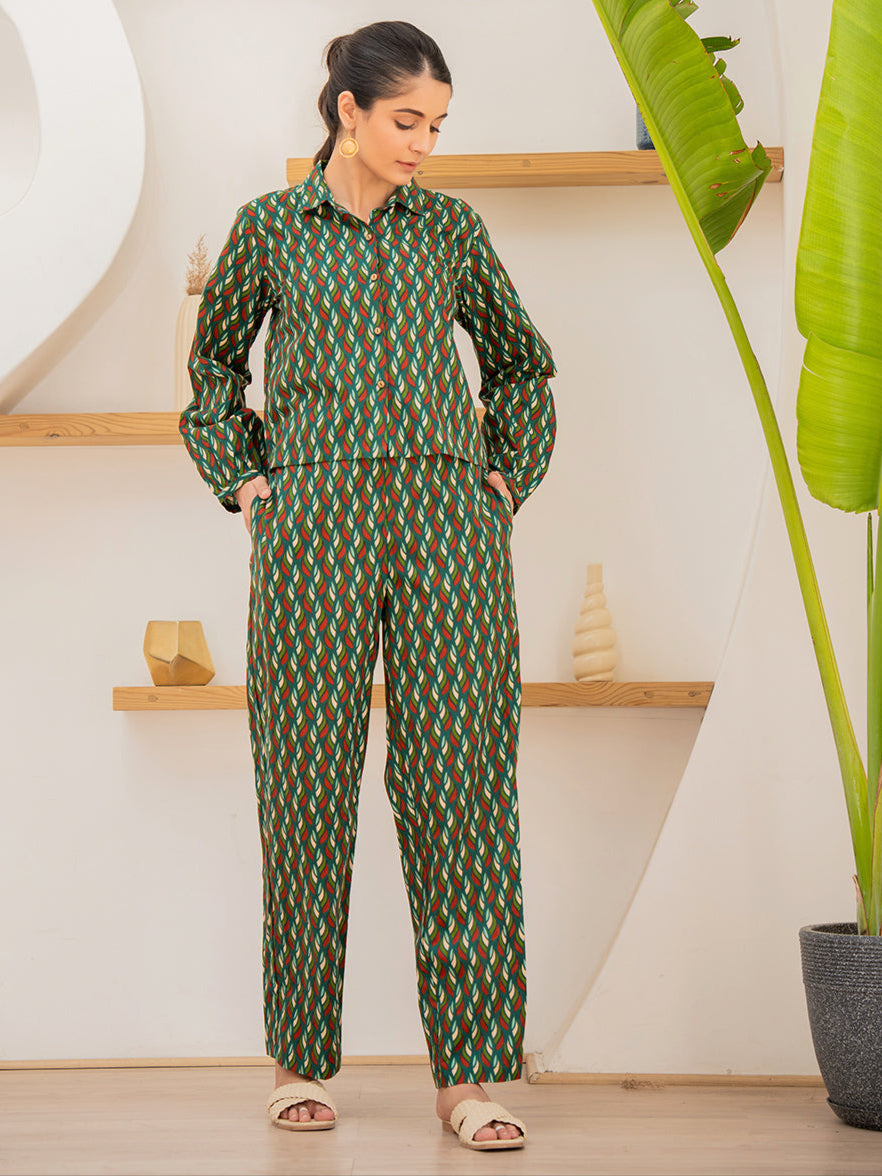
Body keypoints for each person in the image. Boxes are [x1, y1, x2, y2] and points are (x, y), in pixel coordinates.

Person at [179, 18, 557, 1154]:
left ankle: (471, 1079)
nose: (424, 144)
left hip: (450, 531)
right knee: (304, 789)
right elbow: (212, 371)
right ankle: (299, 1062)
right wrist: (250, 482)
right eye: (407, 120)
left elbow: (521, 363)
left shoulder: (452, 229)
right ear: (348, 109)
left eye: (437, 125)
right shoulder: (267, 229)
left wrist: (504, 476)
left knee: (463, 794)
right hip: (313, 528)